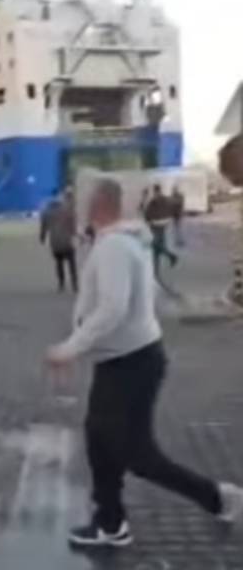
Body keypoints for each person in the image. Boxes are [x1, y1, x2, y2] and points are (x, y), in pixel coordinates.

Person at [46, 178, 243, 547]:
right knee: (99, 439)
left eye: (85, 203)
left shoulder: (114, 248)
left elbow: (112, 309)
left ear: (98, 206)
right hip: (123, 361)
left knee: (137, 454)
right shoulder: (124, 242)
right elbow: (142, 295)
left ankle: (218, 498)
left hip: (131, 364)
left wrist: (71, 348)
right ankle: (110, 521)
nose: (80, 210)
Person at [40, 189, 80, 292]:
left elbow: (44, 228)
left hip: (55, 242)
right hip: (67, 241)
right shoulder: (67, 210)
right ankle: (75, 284)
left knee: (59, 263)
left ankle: (61, 284)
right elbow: (72, 225)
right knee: (72, 263)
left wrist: (42, 238)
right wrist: (76, 235)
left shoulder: (47, 212)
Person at [143, 184, 179, 272]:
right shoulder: (166, 199)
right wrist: (172, 217)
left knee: (155, 245)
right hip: (164, 223)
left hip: (156, 224)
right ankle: (157, 268)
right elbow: (174, 207)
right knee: (159, 244)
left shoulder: (154, 200)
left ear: (155, 191)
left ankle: (170, 257)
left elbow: (148, 212)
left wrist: (148, 220)